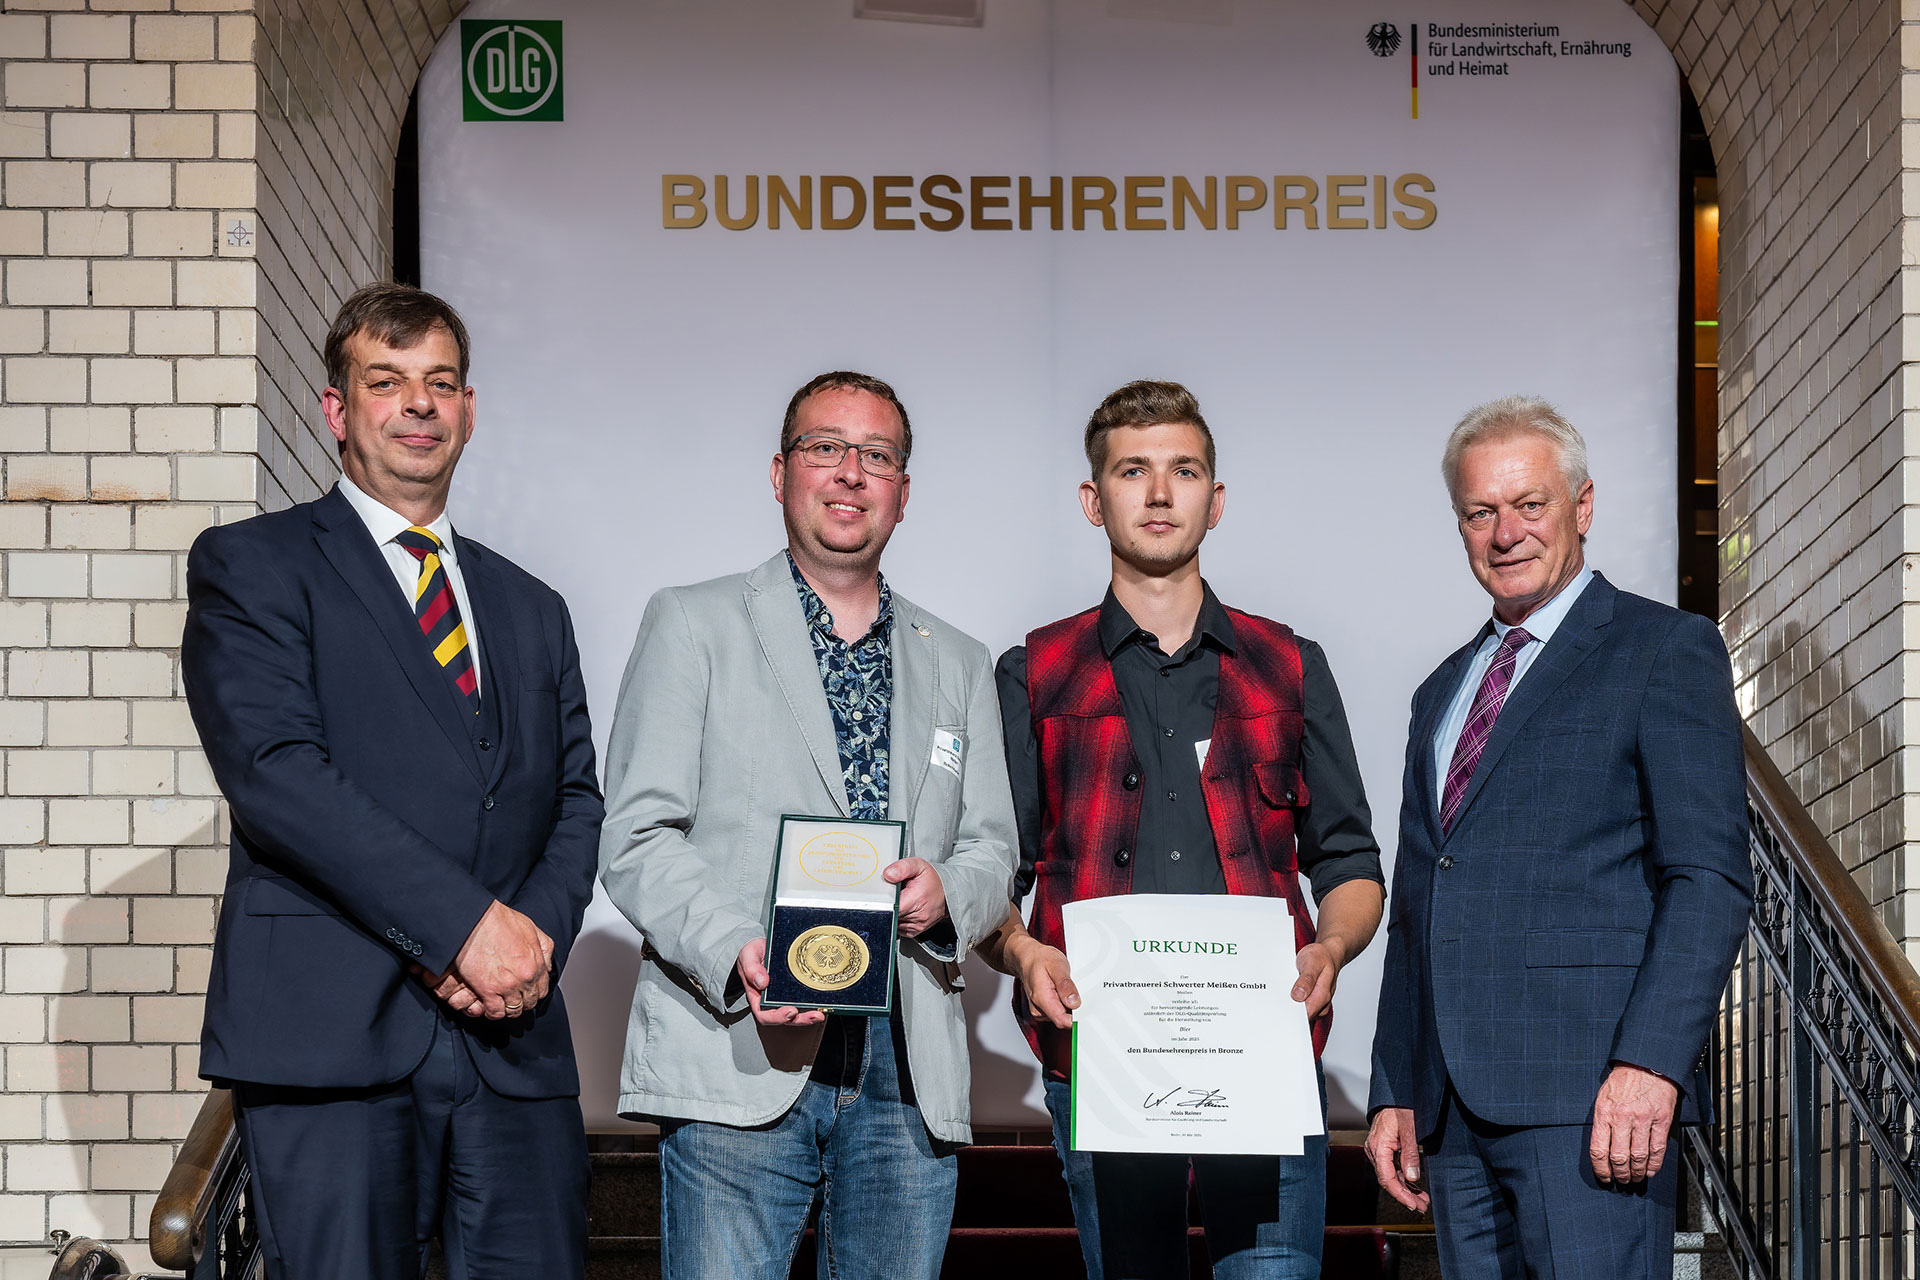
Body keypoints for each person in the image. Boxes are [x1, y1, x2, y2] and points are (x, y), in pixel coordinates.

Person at [181, 283, 603, 1279]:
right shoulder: (252, 565)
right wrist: (464, 927)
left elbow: (576, 796)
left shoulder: (531, 604)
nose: (419, 404)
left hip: (513, 1045)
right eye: (387, 381)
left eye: (440, 383)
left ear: (467, 409)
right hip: (333, 1041)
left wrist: (528, 938)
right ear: (337, 408)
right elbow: (279, 776)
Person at [598, 371, 1019, 1280]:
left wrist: (950, 894)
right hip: (739, 1052)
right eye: (826, 447)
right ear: (781, 471)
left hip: (904, 1073)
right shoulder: (692, 623)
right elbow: (636, 835)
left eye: (878, 456)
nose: (850, 473)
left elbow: (993, 846)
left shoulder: (959, 661)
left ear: (904, 493)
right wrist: (739, 951)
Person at [977, 380, 1385, 1280]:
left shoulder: (1289, 667)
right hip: (1099, 1061)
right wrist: (1022, 952)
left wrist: (1332, 949)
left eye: (1183, 470)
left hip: (1265, 1060)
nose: (1159, 494)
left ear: (1216, 499)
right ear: (1095, 499)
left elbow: (1350, 861)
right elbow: (989, 874)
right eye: (1134, 471)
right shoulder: (1034, 673)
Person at [1364, 395, 1753, 1278]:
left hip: (1593, 1102)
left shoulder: (1664, 649)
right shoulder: (1441, 692)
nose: (1506, 532)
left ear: (1582, 506)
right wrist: (1395, 1086)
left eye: (1529, 504)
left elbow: (1709, 877)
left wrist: (1652, 1063)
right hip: (1454, 1114)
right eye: (1480, 512)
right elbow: (1424, 899)